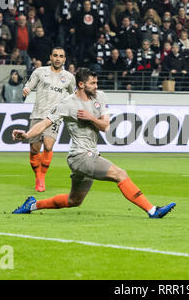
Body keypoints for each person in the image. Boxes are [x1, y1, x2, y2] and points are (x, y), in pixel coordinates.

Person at [11, 68, 176, 219]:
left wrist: (90, 117)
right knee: (120, 174)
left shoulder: (100, 96)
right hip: (80, 156)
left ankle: (32, 205)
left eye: (96, 82)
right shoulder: (67, 103)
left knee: (74, 200)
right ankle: (152, 210)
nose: (96, 86)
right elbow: (44, 123)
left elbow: (105, 126)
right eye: (93, 83)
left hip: (89, 154)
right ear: (81, 84)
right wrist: (27, 135)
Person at [22, 47, 75, 192]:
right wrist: (26, 90)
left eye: (61, 56)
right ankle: (37, 175)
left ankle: (41, 178)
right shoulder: (39, 71)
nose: (58, 58)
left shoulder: (69, 77)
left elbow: (74, 96)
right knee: (34, 149)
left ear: (64, 59)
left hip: (55, 117)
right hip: (37, 115)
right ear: (50, 57)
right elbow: (29, 85)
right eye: (55, 56)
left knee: (48, 145)